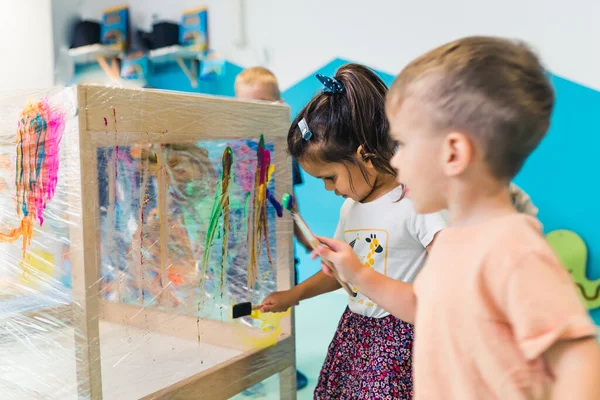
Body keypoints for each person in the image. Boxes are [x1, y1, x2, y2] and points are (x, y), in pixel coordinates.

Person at [315, 37, 600, 399]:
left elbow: (576, 356)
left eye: (402, 144)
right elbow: (423, 307)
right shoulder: (452, 239)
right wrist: (357, 273)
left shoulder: (513, 249)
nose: (395, 161)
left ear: (453, 153)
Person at [260, 63, 448, 399]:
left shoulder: (417, 201)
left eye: (330, 178)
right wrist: (293, 297)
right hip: (356, 330)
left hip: (402, 339)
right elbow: (341, 274)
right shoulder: (351, 208)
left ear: (364, 155)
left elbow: (452, 273)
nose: (329, 189)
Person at [234, 66, 310, 391]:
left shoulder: (284, 151)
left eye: (263, 106)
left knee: (283, 309)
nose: (255, 115)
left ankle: (284, 364)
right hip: (240, 254)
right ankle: (248, 368)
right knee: (243, 310)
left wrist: (306, 240)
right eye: (246, 107)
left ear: (279, 106)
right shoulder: (233, 150)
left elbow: (291, 202)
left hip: (279, 252)